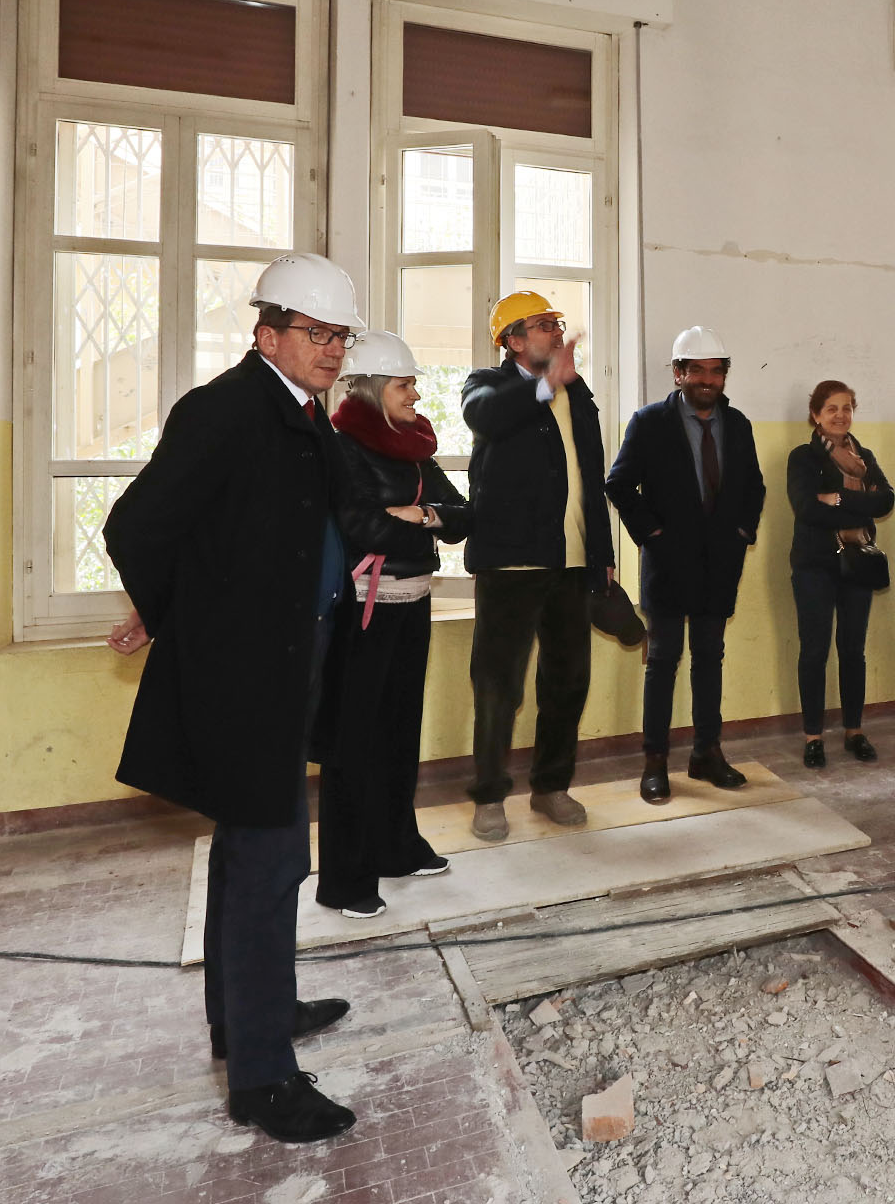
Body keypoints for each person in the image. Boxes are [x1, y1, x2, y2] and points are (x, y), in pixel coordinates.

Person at [103, 251, 366, 1144]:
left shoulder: (300, 413)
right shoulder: (224, 410)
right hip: (247, 676)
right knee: (267, 860)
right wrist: (182, 621)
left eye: (339, 335)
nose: (331, 349)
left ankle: (249, 1011)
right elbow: (137, 526)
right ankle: (262, 1079)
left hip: (289, 663)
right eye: (315, 332)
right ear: (267, 334)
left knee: (256, 853)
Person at [315, 330, 470, 920]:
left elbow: (464, 516)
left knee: (401, 731)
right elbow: (362, 527)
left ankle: (396, 847)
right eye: (405, 385)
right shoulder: (341, 447)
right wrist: (420, 524)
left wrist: (420, 514)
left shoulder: (415, 447)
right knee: (353, 741)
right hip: (364, 610)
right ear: (375, 388)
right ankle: (344, 879)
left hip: (413, 601)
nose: (415, 395)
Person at [463, 291, 617, 841]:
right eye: (542, 324)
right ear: (512, 340)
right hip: (511, 565)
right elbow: (485, 416)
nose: (555, 330)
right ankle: (488, 796)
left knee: (568, 682)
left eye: (557, 322)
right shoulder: (487, 384)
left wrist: (602, 555)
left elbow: (592, 479)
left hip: (572, 564)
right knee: (498, 686)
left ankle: (551, 786)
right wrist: (547, 382)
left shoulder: (578, 393)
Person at [607, 326, 768, 801]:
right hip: (668, 566)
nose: (707, 380)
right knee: (662, 661)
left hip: (720, 566)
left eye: (716, 371)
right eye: (697, 370)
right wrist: (652, 534)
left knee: (710, 659)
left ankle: (706, 754)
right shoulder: (649, 422)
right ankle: (655, 762)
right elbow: (618, 484)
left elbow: (754, 487)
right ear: (678, 373)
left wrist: (743, 533)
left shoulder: (737, 424)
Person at [787, 379, 895, 768]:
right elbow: (806, 510)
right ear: (816, 414)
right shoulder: (803, 457)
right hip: (814, 566)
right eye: (831, 408)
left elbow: (885, 501)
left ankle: (854, 731)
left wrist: (838, 498)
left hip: (857, 563)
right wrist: (856, 505)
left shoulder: (864, 456)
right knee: (814, 651)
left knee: (853, 651)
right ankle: (813, 737)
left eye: (847, 407)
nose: (840, 415)